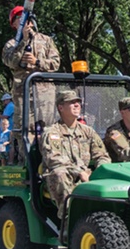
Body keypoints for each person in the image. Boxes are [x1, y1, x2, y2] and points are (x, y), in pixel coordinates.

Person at [2, 5, 61, 163]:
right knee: (25, 131)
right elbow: (10, 61)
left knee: (47, 130)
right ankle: (28, 166)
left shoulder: (46, 40)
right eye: (20, 19)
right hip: (23, 95)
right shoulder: (11, 44)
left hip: (45, 95)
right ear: (14, 24)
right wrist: (23, 42)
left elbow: (56, 64)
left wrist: (38, 62)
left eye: (27, 18)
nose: (26, 22)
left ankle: (49, 163)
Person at [40, 89, 110, 220]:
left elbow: (102, 155)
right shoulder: (52, 133)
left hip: (85, 175)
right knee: (59, 174)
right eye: (71, 102)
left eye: (78, 102)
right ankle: (69, 220)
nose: (77, 105)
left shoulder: (87, 131)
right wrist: (78, 172)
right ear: (61, 107)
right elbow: (53, 159)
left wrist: (101, 169)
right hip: (62, 177)